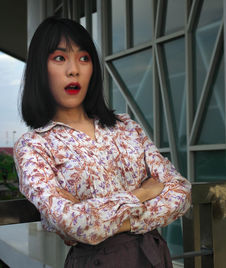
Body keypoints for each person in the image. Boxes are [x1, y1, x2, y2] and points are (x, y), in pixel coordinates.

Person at [14, 16, 191, 268]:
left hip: (154, 256)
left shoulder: (125, 126)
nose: (73, 69)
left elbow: (180, 191)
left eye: (84, 58)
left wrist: (95, 215)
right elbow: (74, 223)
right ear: (40, 69)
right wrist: (141, 194)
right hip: (97, 262)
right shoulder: (34, 146)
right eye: (60, 58)